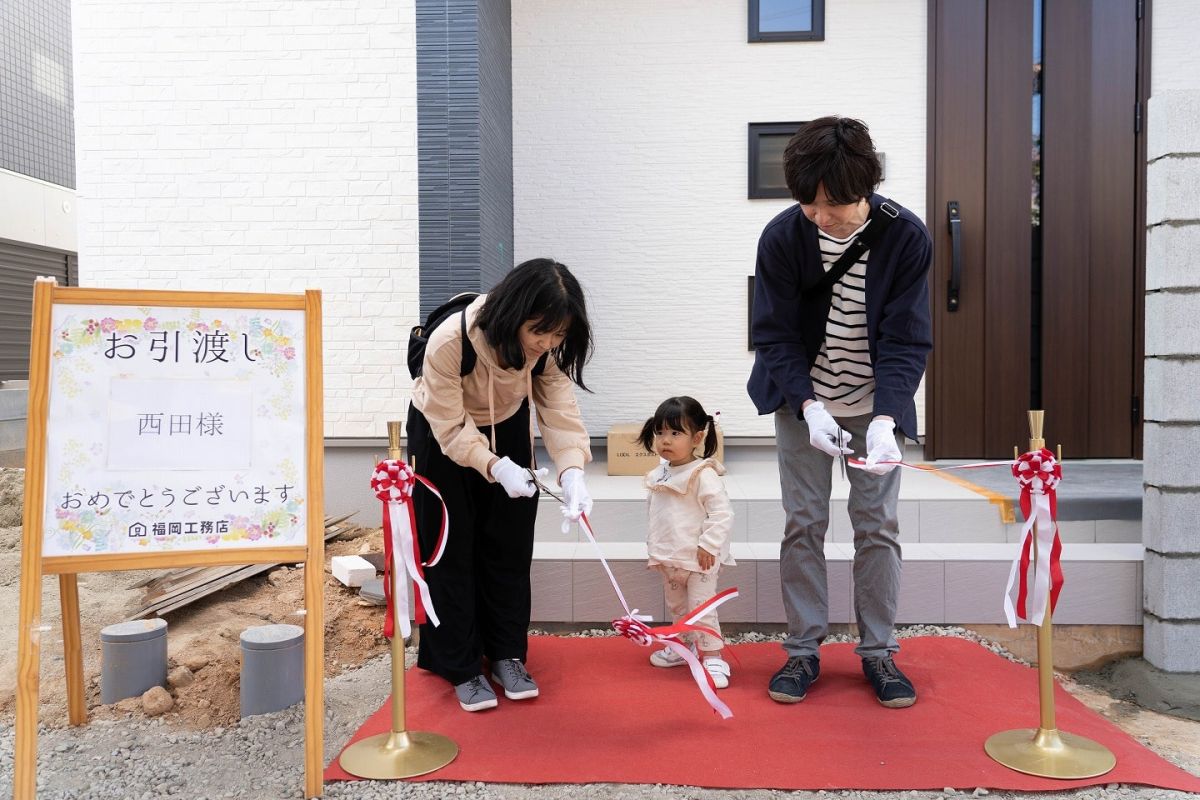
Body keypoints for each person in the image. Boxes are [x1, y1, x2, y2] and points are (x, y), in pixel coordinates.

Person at [747, 116, 932, 708]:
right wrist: (807, 404)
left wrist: (887, 418)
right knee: (804, 522)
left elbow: (907, 338)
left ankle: (879, 654)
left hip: (873, 403)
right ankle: (802, 652)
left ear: (865, 186)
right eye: (807, 202)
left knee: (877, 527)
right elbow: (773, 336)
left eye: (833, 204)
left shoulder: (907, 237)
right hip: (806, 405)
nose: (819, 216)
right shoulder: (782, 237)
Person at [407, 258, 594, 712]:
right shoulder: (450, 341)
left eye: (558, 336)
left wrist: (572, 470)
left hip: (507, 424)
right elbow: (451, 429)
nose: (547, 344)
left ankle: (507, 653)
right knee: (451, 549)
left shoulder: (546, 346)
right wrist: (494, 467)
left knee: (509, 545)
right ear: (513, 315)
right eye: (539, 333)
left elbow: (558, 407)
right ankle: (462, 666)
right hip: (441, 434)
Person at [636, 396, 735, 689]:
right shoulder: (660, 472)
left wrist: (709, 545)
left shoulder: (702, 474)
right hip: (671, 556)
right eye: (660, 432)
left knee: (701, 607)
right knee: (678, 606)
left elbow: (721, 512)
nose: (666, 440)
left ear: (698, 437)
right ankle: (685, 646)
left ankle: (713, 656)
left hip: (699, 559)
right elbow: (659, 513)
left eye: (676, 433)